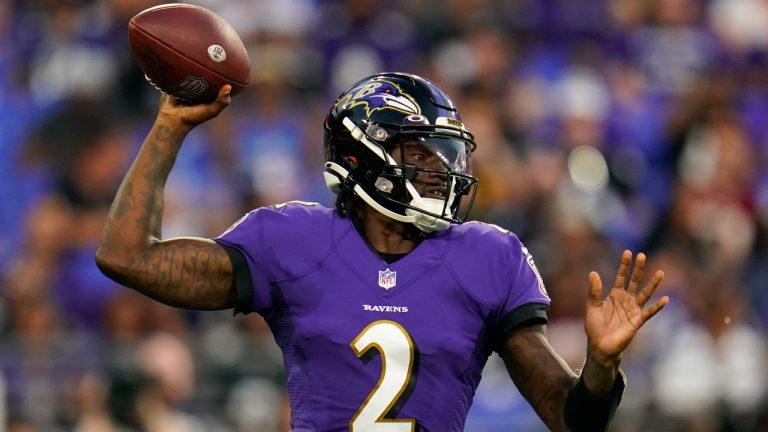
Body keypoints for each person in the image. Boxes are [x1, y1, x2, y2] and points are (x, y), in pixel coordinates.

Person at [96, 72, 669, 431]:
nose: (443, 171)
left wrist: (600, 365)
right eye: (421, 155)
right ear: (362, 159)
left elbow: (572, 420)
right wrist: (170, 125)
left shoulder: (489, 256)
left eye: (445, 155)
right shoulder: (293, 240)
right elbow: (127, 257)